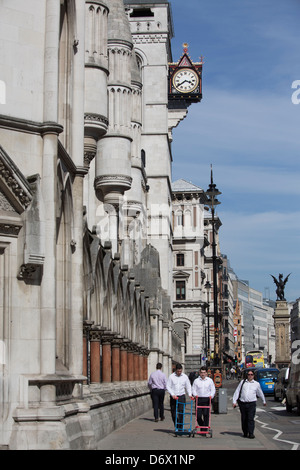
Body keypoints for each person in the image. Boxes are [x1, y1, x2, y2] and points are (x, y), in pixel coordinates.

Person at [232, 369, 266, 439]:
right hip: (243, 403)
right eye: (249, 374)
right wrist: (234, 401)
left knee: (250, 418)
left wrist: (264, 401)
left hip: (252, 404)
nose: (250, 376)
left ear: (253, 376)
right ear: (247, 375)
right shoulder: (243, 382)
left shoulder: (256, 384)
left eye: (251, 375)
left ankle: (251, 433)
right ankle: (245, 432)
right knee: (244, 418)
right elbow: (237, 391)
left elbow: (260, 393)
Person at [167, 363, 193, 429]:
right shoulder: (171, 376)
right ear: (175, 370)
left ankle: (180, 427)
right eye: (178, 371)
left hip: (181, 396)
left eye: (180, 371)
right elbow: (168, 386)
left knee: (181, 412)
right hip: (174, 396)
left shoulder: (185, 377)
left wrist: (190, 394)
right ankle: (176, 425)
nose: (179, 372)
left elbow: (188, 386)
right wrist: (172, 394)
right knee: (173, 412)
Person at [192, 366, 215, 432]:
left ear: (206, 373)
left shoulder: (210, 381)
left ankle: (204, 430)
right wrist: (195, 395)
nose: (203, 374)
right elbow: (193, 389)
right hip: (199, 399)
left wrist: (211, 395)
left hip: (207, 399)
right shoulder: (196, 381)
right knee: (198, 415)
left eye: (204, 372)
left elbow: (213, 389)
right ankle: (202, 426)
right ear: (199, 373)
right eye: (201, 372)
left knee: (206, 415)